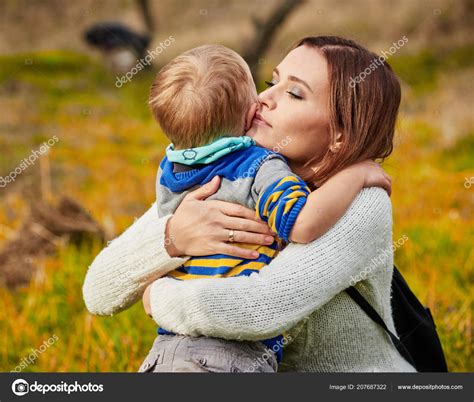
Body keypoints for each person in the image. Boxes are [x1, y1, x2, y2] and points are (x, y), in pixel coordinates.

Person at [83, 36, 415, 372]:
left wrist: (159, 297)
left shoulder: (363, 203)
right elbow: (99, 292)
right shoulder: (234, 173)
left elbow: (261, 308)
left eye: (294, 93)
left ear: (341, 133)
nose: (265, 98)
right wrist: (172, 237)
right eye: (272, 81)